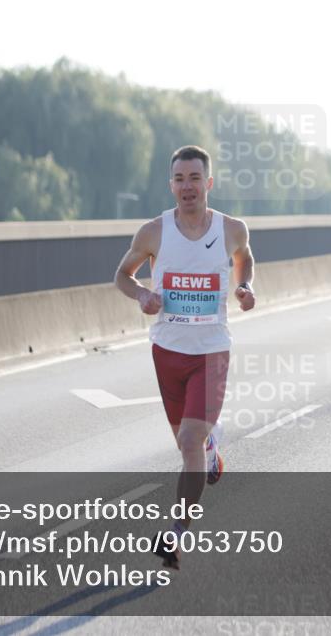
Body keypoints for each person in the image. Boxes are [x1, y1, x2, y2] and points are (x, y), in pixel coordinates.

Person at [114, 145, 256, 569]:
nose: (187, 187)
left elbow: (244, 258)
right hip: (167, 351)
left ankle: (176, 535)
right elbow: (122, 274)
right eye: (180, 179)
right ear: (171, 185)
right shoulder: (153, 232)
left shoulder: (232, 228)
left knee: (189, 440)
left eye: (195, 178)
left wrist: (245, 286)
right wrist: (142, 294)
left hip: (211, 352)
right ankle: (211, 452)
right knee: (186, 444)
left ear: (208, 183)